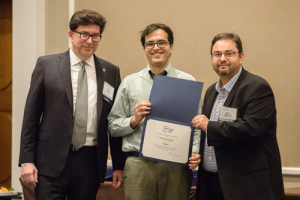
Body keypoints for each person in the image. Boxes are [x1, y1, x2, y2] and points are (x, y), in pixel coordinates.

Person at [19, 9, 126, 200]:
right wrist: (27, 160)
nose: (90, 40)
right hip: (50, 161)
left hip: (90, 162)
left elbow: (114, 120)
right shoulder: (47, 65)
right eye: (84, 34)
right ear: (71, 35)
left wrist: (118, 164)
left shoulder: (110, 71)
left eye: (95, 35)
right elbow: (31, 117)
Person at [107, 23, 201, 200]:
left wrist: (195, 151)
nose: (156, 47)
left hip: (176, 167)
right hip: (138, 166)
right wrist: (134, 120)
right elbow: (112, 126)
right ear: (144, 48)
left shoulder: (187, 82)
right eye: (150, 43)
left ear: (171, 47)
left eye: (161, 42)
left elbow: (196, 125)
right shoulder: (129, 83)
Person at [192, 32, 284, 200]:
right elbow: (211, 137)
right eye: (217, 54)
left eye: (229, 53)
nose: (222, 58)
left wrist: (209, 125)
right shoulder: (211, 91)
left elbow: (252, 128)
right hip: (210, 184)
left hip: (244, 186)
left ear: (241, 57)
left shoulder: (257, 88)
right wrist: (197, 153)